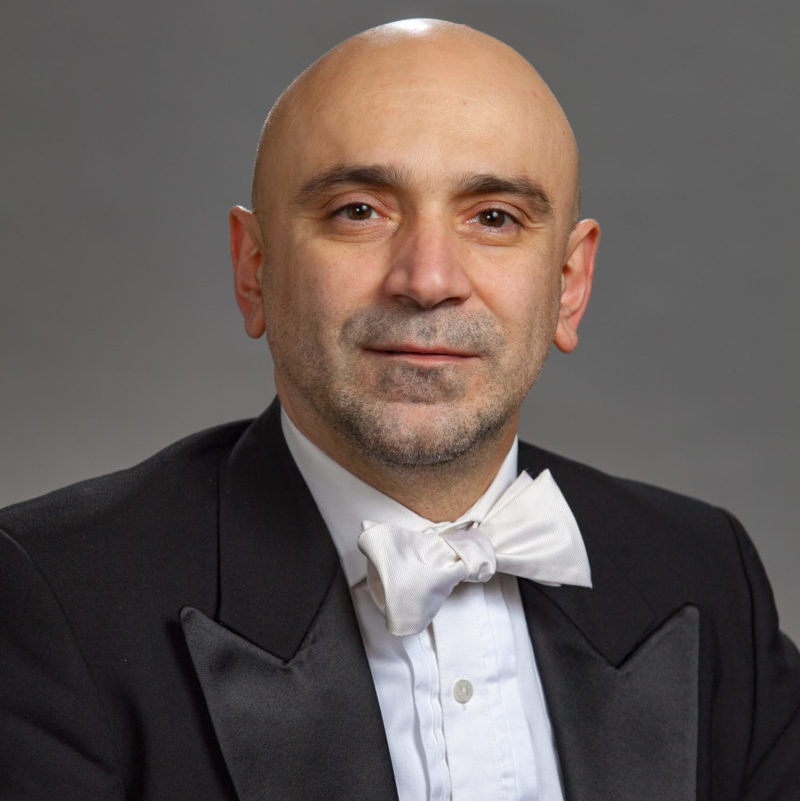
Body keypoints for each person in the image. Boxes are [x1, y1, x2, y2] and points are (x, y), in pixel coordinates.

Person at [1, 18, 798, 801]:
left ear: (570, 284)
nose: (427, 279)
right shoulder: (57, 598)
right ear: (254, 270)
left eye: (494, 217)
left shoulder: (704, 571)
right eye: (359, 210)